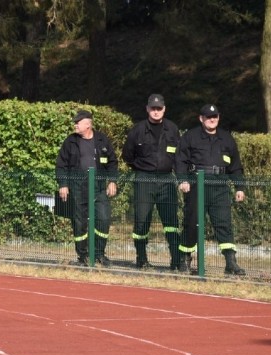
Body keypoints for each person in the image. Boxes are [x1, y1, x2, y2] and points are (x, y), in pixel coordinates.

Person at [175, 104, 246, 276]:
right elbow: (180, 160)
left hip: (220, 187)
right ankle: (185, 259)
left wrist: (240, 187)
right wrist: (183, 180)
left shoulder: (226, 138)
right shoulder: (190, 136)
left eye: (214, 117)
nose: (212, 119)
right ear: (201, 119)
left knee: (224, 223)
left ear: (218, 118)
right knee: (192, 223)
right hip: (196, 187)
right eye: (208, 117)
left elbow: (236, 166)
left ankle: (231, 262)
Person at [121, 94, 182, 270]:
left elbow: (179, 156)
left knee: (171, 221)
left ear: (164, 109)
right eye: (153, 108)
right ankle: (141, 258)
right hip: (144, 178)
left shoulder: (172, 128)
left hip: (166, 180)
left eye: (159, 108)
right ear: (147, 109)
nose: (156, 112)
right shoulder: (138, 129)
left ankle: (176, 260)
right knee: (141, 220)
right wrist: (140, 168)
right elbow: (127, 155)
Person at [55, 109, 119, 266]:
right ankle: (83, 255)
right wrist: (63, 184)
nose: (75, 125)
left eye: (78, 122)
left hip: (98, 188)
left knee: (103, 219)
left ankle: (99, 254)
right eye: (75, 122)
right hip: (77, 188)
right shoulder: (70, 141)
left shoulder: (102, 140)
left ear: (88, 124)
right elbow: (61, 165)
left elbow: (112, 162)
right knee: (79, 223)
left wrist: (112, 181)